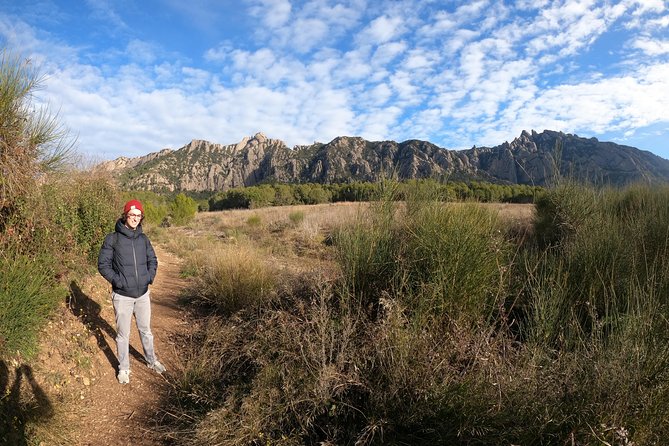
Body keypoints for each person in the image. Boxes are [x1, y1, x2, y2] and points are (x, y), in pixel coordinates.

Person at [97, 199, 165, 384]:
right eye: (131, 215)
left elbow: (153, 260)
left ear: (141, 218)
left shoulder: (143, 239)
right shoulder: (113, 238)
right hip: (122, 297)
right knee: (123, 335)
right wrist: (119, 282)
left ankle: (151, 360)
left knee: (146, 331)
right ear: (125, 216)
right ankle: (124, 368)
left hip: (142, 294)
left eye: (138, 215)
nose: (135, 218)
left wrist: (149, 278)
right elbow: (103, 265)